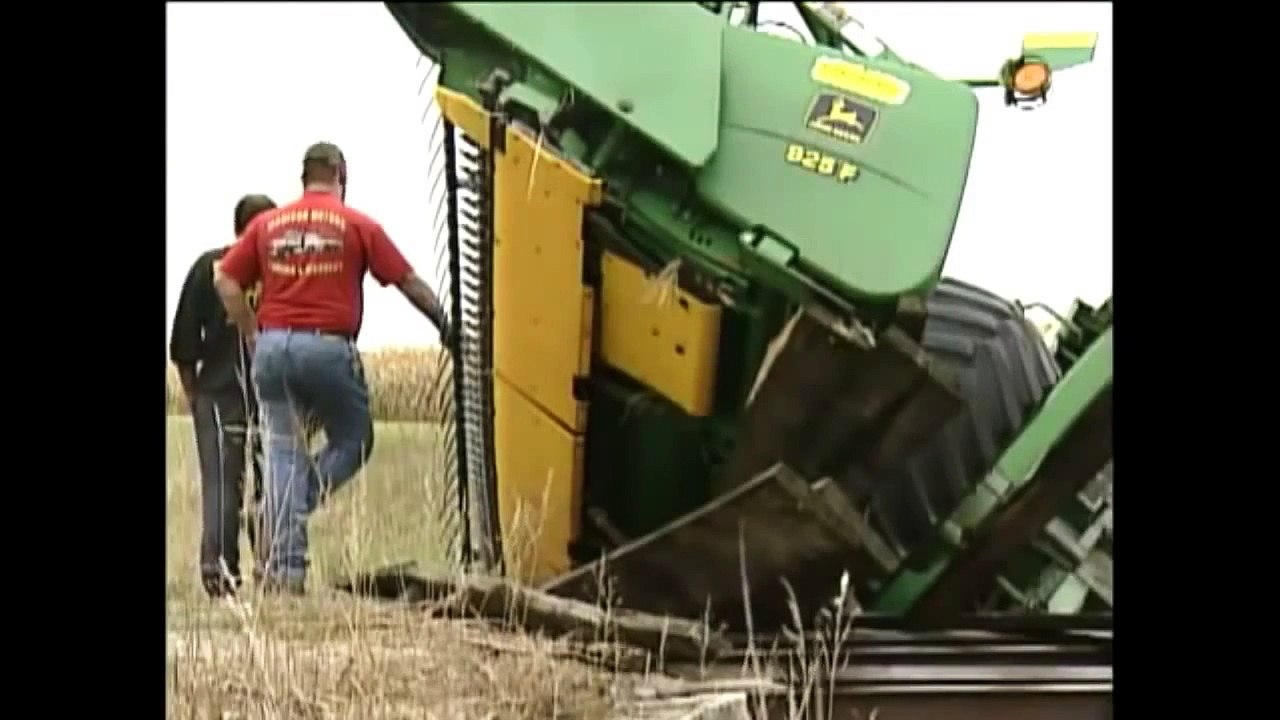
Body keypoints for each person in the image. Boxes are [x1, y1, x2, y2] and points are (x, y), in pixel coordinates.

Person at [213, 142, 451, 595]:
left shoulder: (267, 225)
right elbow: (407, 281)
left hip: (273, 348)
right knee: (354, 439)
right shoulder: (357, 224)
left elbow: (224, 277)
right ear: (341, 174)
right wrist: (444, 324)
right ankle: (293, 507)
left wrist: (250, 330)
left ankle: (284, 571)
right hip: (326, 347)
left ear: (304, 177)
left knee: (282, 452)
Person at [170, 193, 278, 598]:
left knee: (220, 485)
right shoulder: (281, 270)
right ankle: (274, 572)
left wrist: (195, 395)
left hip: (217, 392)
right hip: (272, 393)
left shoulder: (208, 267)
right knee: (274, 485)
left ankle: (221, 579)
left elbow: (183, 344)